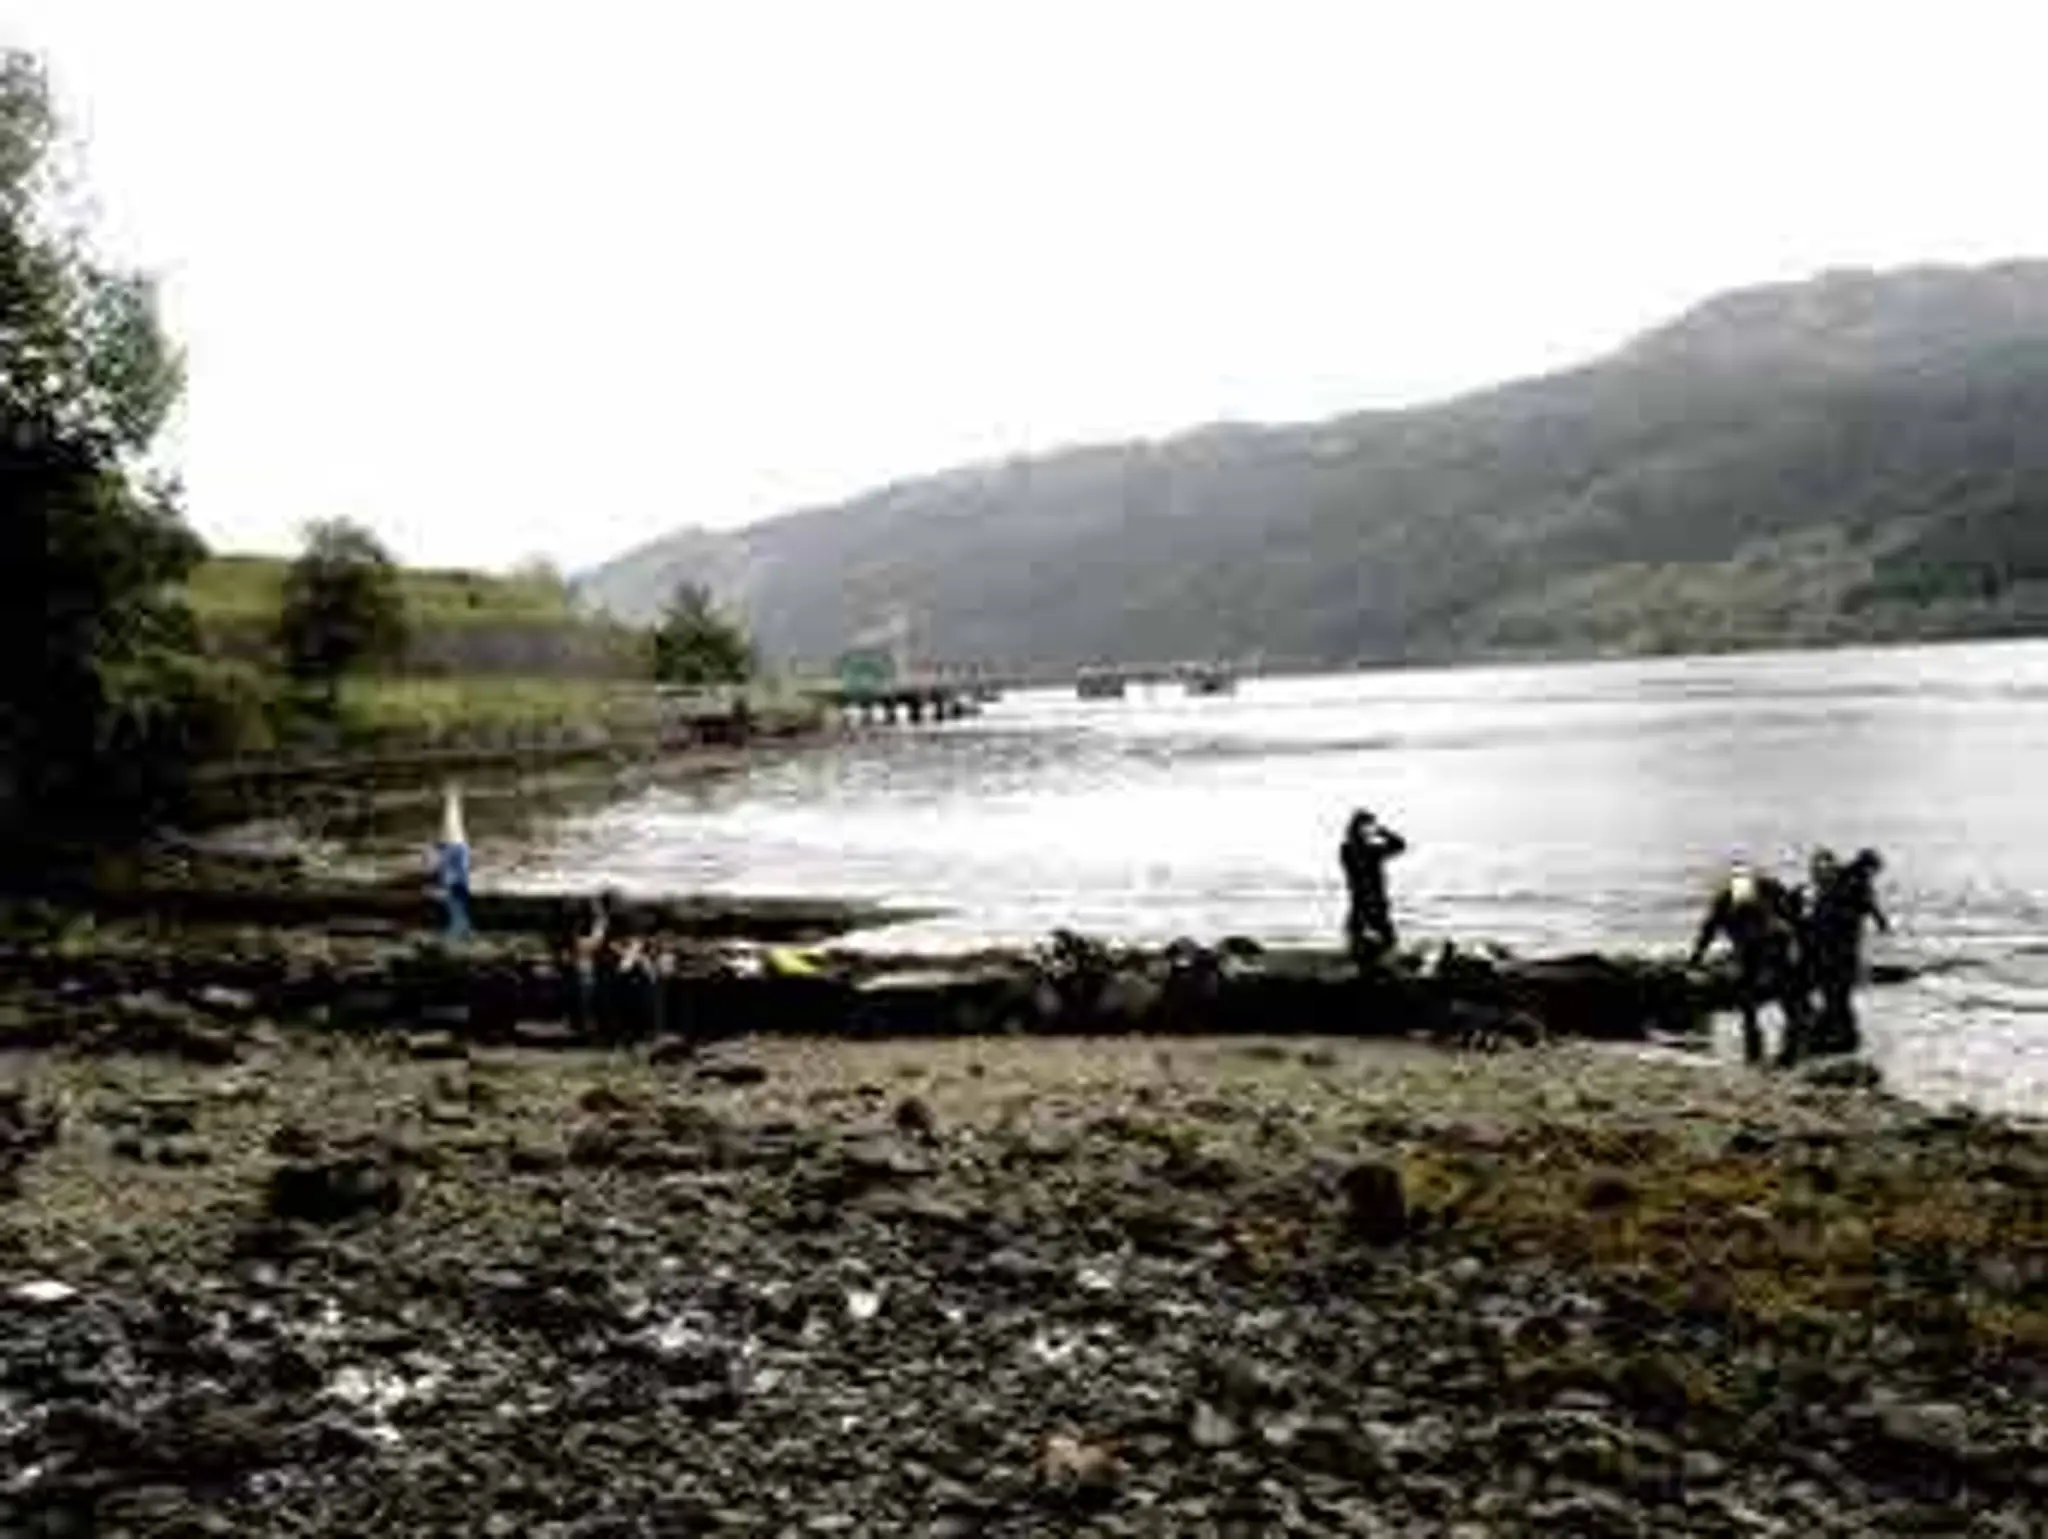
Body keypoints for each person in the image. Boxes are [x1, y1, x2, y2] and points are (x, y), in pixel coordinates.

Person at [1689, 860, 1810, 1066]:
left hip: (1777, 946)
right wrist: (1696, 957)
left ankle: (1792, 1050)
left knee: (1788, 1000)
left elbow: (1793, 918)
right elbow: (1708, 930)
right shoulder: (1724, 899)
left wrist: (1799, 945)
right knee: (1747, 1002)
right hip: (1747, 951)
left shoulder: (1770, 889)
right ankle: (1754, 1050)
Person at [1807, 847, 1889, 1055]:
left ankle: (1830, 1032)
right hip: (1838, 945)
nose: (1873, 875)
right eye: (1873, 870)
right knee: (1838, 992)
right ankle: (1839, 1034)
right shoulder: (1856, 882)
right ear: (1868, 867)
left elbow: (1868, 906)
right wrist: (1881, 922)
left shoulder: (1844, 878)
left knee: (1834, 992)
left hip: (1829, 943)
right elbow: (1869, 906)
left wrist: (1880, 921)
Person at [1340, 809, 1408, 968]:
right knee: (1369, 936)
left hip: (1372, 900)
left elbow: (1400, 845)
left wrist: (1381, 832)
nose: (1366, 832)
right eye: (1364, 827)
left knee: (1385, 939)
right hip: (1366, 900)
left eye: (1368, 828)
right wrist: (1381, 833)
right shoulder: (1353, 849)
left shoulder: (1368, 850)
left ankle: (1369, 961)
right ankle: (1366, 960)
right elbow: (1398, 845)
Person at [434, 784, 472, 942]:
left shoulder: (457, 900)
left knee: (452, 826)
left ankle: (452, 797)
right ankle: (452, 797)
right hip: (453, 855)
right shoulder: (456, 898)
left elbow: (456, 886)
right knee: (452, 826)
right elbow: (455, 886)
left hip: (453, 856)